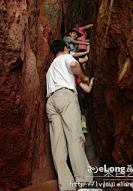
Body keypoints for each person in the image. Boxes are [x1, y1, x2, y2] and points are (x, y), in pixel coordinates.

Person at [46, 40, 93, 191]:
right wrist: (84, 77)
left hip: (51, 102)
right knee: (74, 138)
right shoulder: (66, 57)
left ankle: (66, 186)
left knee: (58, 146)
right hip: (65, 97)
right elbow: (73, 65)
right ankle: (84, 181)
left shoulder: (50, 68)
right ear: (65, 48)